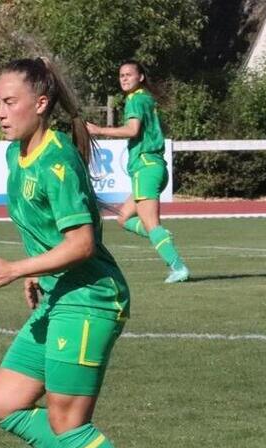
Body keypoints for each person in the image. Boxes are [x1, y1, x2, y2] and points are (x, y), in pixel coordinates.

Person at [0, 57, 159, 448]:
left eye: (9, 101)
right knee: (4, 404)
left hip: (91, 300)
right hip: (58, 296)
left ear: (40, 104)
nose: (0, 111)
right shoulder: (19, 156)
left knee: (67, 421)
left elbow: (81, 243)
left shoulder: (57, 158)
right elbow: (52, 239)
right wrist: (37, 270)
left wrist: (18, 267)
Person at [86, 60, 190, 283]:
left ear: (140, 77)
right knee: (123, 218)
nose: (124, 78)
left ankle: (178, 267)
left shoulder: (135, 99)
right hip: (153, 167)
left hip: (146, 167)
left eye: (129, 74)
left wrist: (99, 130)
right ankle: (161, 236)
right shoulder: (145, 98)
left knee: (151, 224)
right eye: (121, 75)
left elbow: (133, 130)